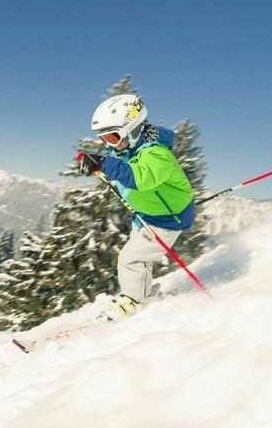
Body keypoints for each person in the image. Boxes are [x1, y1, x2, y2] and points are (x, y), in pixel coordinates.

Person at [76, 94, 195, 320]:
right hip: (147, 215)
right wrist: (94, 162)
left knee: (130, 258)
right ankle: (143, 294)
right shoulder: (127, 147)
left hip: (168, 220)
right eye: (103, 139)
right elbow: (118, 166)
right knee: (140, 256)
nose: (108, 145)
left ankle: (132, 301)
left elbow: (137, 178)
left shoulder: (157, 154)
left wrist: (104, 163)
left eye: (112, 137)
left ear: (132, 130)